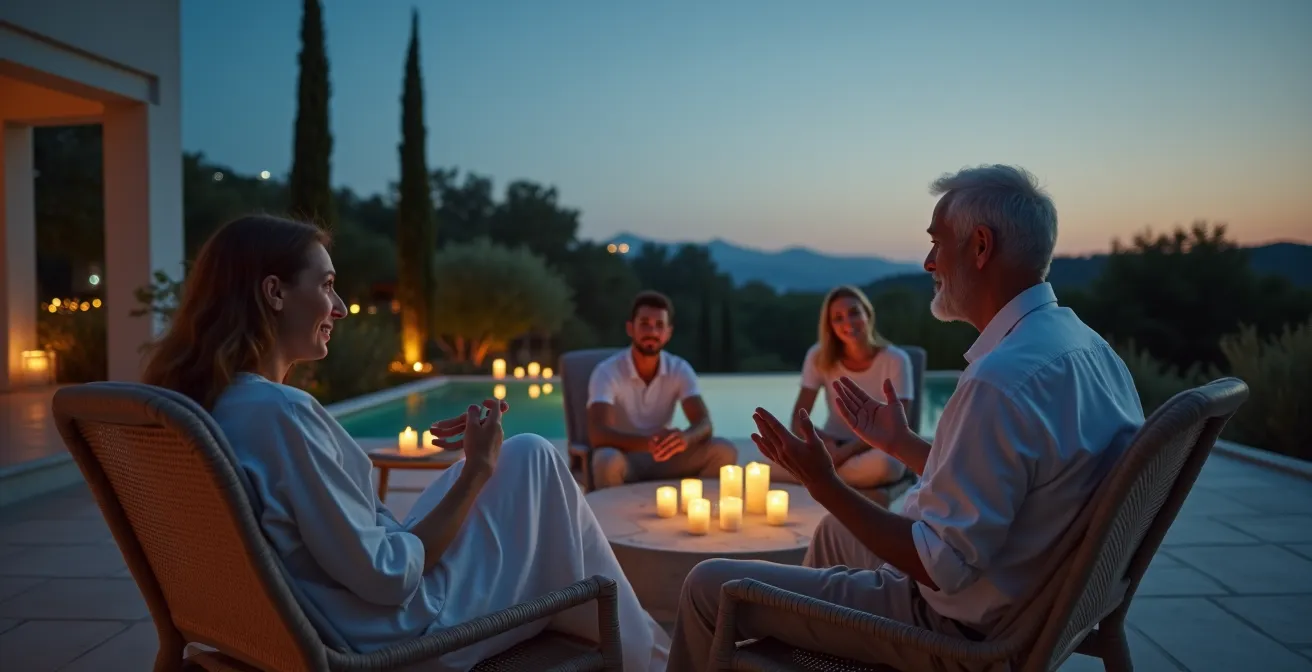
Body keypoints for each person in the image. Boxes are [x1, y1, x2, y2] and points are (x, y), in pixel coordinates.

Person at [668, 165, 1145, 671]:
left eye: (938, 243)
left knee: (708, 585)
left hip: (955, 630)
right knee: (833, 533)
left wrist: (822, 481)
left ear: (980, 247)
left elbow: (941, 568)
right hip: (1020, 597)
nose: (928, 261)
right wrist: (902, 444)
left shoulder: (1001, 380)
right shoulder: (1085, 347)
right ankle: (811, 656)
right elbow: (1019, 479)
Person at [141, 215, 669, 672]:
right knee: (534, 462)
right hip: (397, 638)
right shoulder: (280, 416)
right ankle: (644, 653)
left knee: (527, 463)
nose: (341, 307)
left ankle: (639, 644)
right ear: (274, 293)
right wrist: (475, 472)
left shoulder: (211, 408)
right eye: (326, 285)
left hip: (337, 611)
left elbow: (358, 552)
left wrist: (475, 470)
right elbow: (389, 578)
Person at [586, 290, 738, 490]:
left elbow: (704, 423)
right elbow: (598, 434)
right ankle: (610, 518)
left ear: (668, 333)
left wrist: (685, 439)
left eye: (659, 325)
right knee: (606, 461)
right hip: (625, 458)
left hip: (665, 458)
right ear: (630, 328)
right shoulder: (607, 371)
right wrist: (648, 443)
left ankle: (694, 508)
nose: (652, 332)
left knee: (724, 451)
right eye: (645, 324)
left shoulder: (679, 368)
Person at [774, 285, 912, 489]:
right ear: (830, 325)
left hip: (876, 448)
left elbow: (896, 425)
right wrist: (825, 444)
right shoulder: (818, 356)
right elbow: (798, 420)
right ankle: (835, 477)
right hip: (830, 445)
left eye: (854, 313)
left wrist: (844, 453)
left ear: (868, 315)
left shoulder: (896, 359)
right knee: (766, 457)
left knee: (885, 465)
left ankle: (818, 476)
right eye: (838, 318)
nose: (847, 322)